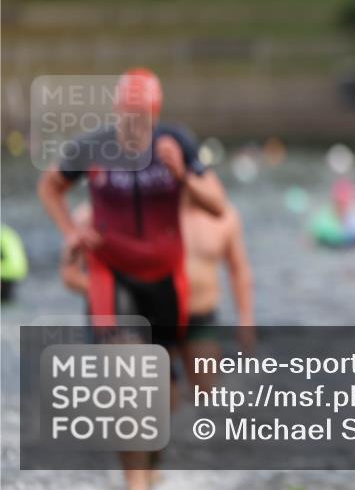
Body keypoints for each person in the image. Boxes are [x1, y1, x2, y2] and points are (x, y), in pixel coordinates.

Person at [37, 67, 226, 490]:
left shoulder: (177, 143)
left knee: (164, 392)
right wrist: (71, 230)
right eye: (128, 116)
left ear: (156, 114)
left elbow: (217, 205)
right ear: (116, 111)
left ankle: (150, 464)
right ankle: (134, 483)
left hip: (165, 280)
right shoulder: (94, 146)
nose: (134, 126)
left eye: (143, 117)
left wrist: (184, 178)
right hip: (112, 277)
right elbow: (50, 186)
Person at [62, 195, 256, 391]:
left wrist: (246, 319)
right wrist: (122, 291)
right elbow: (70, 275)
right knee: (155, 396)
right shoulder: (99, 214)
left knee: (207, 395)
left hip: (199, 316)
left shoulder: (223, 214)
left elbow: (238, 270)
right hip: (147, 317)